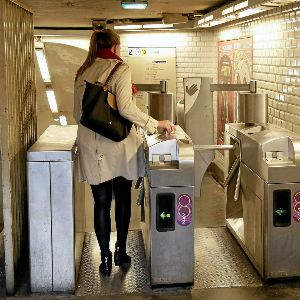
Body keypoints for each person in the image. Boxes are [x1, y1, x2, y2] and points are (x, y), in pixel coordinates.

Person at [73, 29, 175, 276]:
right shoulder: (120, 68)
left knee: (101, 202)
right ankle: (120, 250)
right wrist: (155, 124)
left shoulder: (83, 71)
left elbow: (78, 114)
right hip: (118, 145)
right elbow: (127, 109)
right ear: (116, 46)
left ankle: (105, 258)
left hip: (90, 143)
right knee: (122, 199)